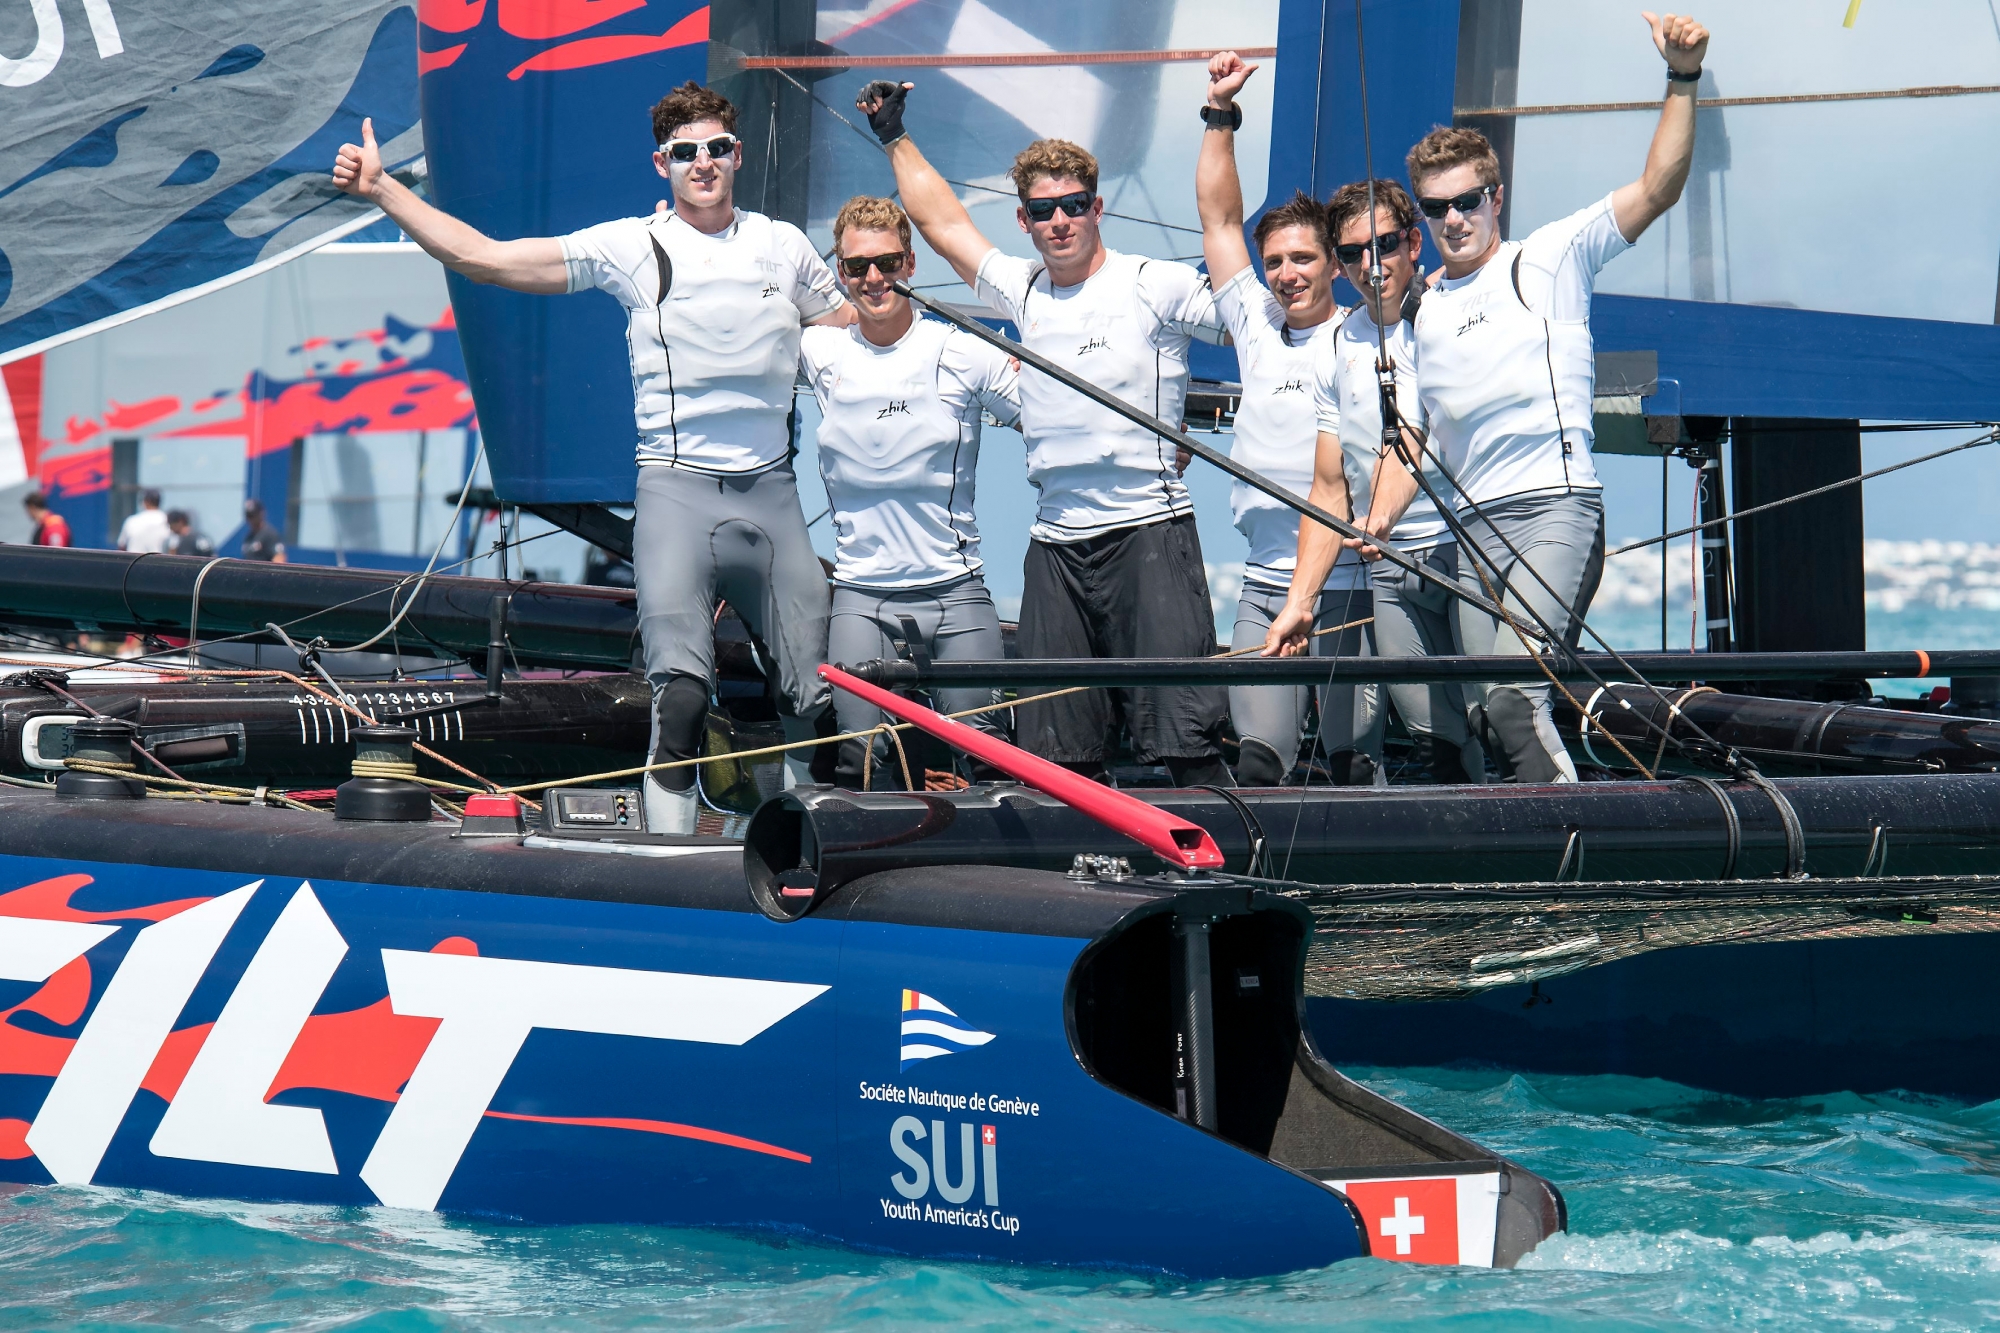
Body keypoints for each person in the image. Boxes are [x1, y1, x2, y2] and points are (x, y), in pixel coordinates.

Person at [333, 81, 852, 834]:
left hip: (772, 497)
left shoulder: (785, 247)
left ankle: (809, 836)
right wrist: (385, 191)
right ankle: (664, 859)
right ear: (661, 164)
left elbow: (853, 347)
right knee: (679, 695)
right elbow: (486, 260)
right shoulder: (633, 246)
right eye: (685, 153)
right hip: (678, 496)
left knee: (814, 699)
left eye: (715, 149)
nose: (702, 164)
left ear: (737, 156)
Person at [1350, 11, 1709, 783]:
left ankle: (1583, 856)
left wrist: (1682, 78)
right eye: (1436, 208)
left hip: (1555, 509)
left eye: (1467, 202)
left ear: (1495, 197)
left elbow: (1659, 186)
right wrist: (1373, 521)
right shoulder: (1422, 310)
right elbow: (1410, 440)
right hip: (1474, 529)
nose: (1453, 219)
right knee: (1486, 710)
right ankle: (1526, 858)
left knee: (1513, 697)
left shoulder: (1550, 258)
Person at [860, 80, 1232, 786]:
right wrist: (893, 135)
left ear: (1098, 208)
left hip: (1150, 533)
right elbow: (943, 223)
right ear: (1025, 221)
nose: (1059, 221)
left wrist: (1218, 118)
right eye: (1042, 211)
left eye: (1072, 206)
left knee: (1186, 742)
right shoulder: (1022, 290)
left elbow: (1253, 309)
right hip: (1056, 545)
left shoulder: (1155, 283)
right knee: (1059, 754)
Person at [1265, 178, 1487, 785]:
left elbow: (1412, 437)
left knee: (1503, 714)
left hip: (1465, 548)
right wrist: (1300, 603)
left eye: (1385, 245)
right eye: (1354, 252)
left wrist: (1381, 515)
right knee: (1433, 735)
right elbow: (1328, 487)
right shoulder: (1336, 342)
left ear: (1415, 243)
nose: (1373, 264)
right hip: (1391, 564)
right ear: (1339, 263)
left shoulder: (1451, 313)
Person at [1195, 53, 1377, 786]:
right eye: (1275, 261)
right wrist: (1219, 115)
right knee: (1261, 761)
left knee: (1353, 760)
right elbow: (1219, 217)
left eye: (1304, 257)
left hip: (1347, 588)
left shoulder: (1366, 333)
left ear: (1336, 262)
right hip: (1263, 584)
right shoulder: (1255, 322)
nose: (1286, 273)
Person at [801, 196, 1021, 789]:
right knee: (858, 760)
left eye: (887, 262)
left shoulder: (962, 351)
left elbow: (1057, 420)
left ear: (911, 264)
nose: (873, 278)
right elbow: (734, 339)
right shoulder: (818, 351)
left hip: (956, 594)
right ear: (840, 273)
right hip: (861, 598)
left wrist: (1161, 441)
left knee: (990, 756)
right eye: (856, 267)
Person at [117, 489, 172, 554]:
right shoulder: (167, 521)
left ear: (146, 502)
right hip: (159, 562)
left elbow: (121, 545)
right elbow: (173, 545)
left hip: (134, 562)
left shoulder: (132, 520)